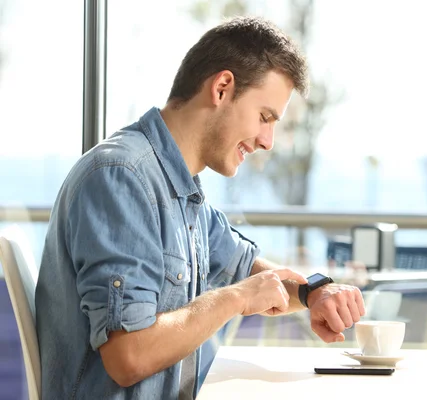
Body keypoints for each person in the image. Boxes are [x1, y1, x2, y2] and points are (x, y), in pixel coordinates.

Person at [35, 15, 365, 400]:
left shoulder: (181, 190)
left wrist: (314, 293)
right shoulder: (122, 177)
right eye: (264, 117)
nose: (267, 141)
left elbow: (248, 269)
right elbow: (129, 356)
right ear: (222, 88)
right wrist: (236, 298)